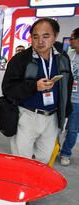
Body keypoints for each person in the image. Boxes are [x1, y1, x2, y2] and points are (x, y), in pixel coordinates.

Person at [2, 18, 73, 205]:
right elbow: (7, 88)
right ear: (31, 38)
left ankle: (31, 189)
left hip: (51, 118)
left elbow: (67, 85)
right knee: (22, 159)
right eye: (36, 37)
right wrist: (34, 86)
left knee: (42, 159)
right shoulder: (21, 59)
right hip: (26, 116)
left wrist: (65, 113)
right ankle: (22, 196)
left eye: (46, 36)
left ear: (55, 36)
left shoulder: (62, 59)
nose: (40, 41)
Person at [60, 28, 79, 166]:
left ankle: (65, 153)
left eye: (72, 38)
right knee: (56, 126)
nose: (70, 41)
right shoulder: (68, 55)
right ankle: (50, 149)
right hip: (64, 97)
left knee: (72, 130)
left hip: (77, 101)